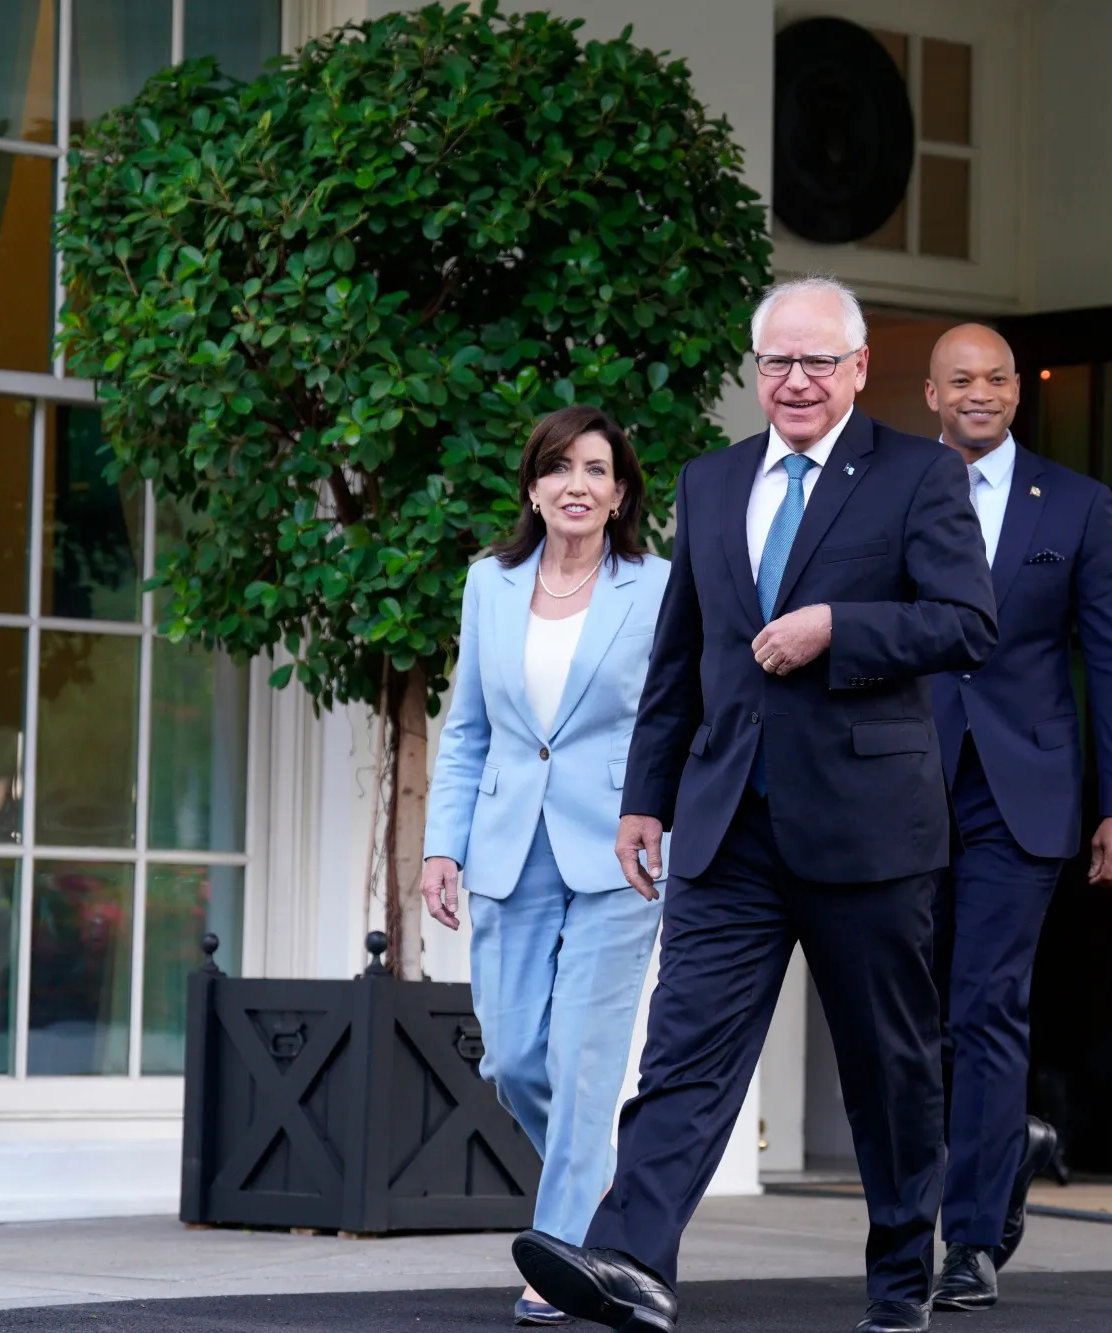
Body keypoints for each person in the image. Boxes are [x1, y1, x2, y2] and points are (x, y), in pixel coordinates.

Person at [511, 277, 997, 1333]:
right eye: (777, 361)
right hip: (727, 822)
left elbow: (966, 622)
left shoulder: (916, 475)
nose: (795, 380)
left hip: (870, 828)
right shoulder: (714, 479)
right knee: (682, 1057)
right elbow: (679, 655)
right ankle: (631, 1262)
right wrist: (645, 798)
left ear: (858, 369)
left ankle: (899, 1273)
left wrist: (838, 626)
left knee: (888, 1067)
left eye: (818, 361)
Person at [419, 405, 670, 1327]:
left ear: (619, 493)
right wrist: (442, 845)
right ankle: (596, 1194)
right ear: (533, 486)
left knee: (585, 1059)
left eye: (597, 469)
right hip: (506, 846)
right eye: (560, 467)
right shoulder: (490, 583)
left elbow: (675, 718)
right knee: (516, 1056)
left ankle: (558, 1257)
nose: (577, 483)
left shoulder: (656, 586)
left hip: (619, 853)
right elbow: (469, 729)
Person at [920, 325, 1112, 1312]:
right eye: (960, 379)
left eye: (997, 377)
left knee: (984, 1002)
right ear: (930, 394)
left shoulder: (1080, 504)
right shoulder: (882, 491)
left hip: (1022, 793)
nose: (981, 392)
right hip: (898, 785)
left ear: (1019, 389)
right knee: (902, 1013)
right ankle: (1005, 1143)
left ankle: (965, 1238)